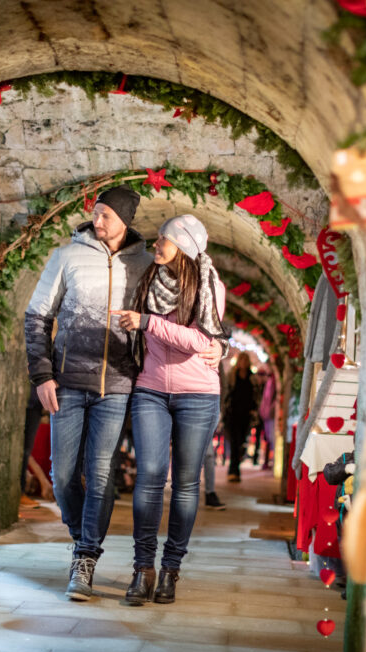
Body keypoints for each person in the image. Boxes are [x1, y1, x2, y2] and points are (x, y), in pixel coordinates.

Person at [24, 187, 222, 601]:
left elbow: (204, 313)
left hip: (119, 385)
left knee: (100, 475)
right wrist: (42, 375)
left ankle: (86, 558)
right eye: (95, 214)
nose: (98, 223)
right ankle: (82, 537)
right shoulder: (67, 257)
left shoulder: (146, 264)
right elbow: (36, 316)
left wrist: (221, 344)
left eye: (107, 216)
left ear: (126, 221)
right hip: (69, 380)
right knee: (62, 479)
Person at [112, 214, 226, 606]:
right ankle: (143, 568)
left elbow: (198, 340)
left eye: (165, 239)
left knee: (186, 484)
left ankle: (171, 569)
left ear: (186, 246)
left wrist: (147, 323)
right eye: (159, 237)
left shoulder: (209, 286)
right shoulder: (149, 278)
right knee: (150, 476)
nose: (157, 244)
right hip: (151, 390)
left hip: (198, 395)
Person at [223, 352, 257, 482]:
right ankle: (233, 471)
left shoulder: (251, 377)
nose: (243, 362)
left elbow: (255, 395)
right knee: (234, 442)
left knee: (241, 442)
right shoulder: (232, 375)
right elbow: (227, 392)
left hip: (246, 415)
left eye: (245, 360)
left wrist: (254, 411)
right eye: (241, 360)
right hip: (232, 414)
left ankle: (235, 469)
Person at [257, 365, 277, 470]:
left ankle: (272, 461)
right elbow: (266, 398)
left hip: (270, 413)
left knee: (272, 438)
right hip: (267, 413)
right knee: (269, 437)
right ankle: (269, 461)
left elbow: (271, 398)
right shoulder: (270, 380)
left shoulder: (273, 380)